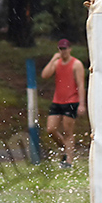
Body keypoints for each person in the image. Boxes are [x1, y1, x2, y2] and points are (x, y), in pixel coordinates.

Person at [41, 38, 87, 168]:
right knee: (51, 129)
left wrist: (82, 104)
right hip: (57, 100)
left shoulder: (76, 64)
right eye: (61, 49)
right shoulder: (57, 63)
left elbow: (80, 84)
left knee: (68, 131)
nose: (63, 51)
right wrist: (52, 60)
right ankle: (65, 149)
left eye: (65, 49)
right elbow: (45, 75)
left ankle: (69, 161)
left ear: (69, 49)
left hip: (71, 100)